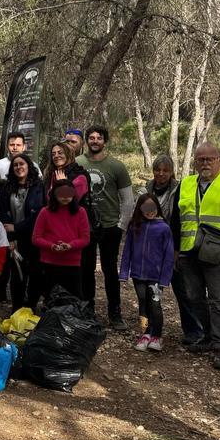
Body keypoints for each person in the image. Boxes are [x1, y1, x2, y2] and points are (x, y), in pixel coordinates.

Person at [169, 142, 220, 371]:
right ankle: (206, 336)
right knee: (194, 298)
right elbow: (176, 219)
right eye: (200, 159)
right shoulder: (186, 184)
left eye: (209, 159)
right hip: (189, 253)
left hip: (219, 254)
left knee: (218, 301)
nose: (205, 163)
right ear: (195, 162)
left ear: (219, 160)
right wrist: (175, 250)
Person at [77, 125, 134, 330]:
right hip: (85, 227)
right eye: (91, 138)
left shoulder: (116, 166)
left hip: (110, 225)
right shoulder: (78, 163)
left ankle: (115, 313)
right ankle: (87, 310)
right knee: (86, 269)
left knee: (110, 271)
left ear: (104, 141)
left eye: (98, 138)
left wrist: (121, 225)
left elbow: (128, 199)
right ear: (86, 141)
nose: (94, 141)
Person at [146, 154, 202, 344]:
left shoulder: (179, 189)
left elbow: (179, 219)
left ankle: (193, 331)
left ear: (171, 172)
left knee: (183, 291)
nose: (161, 174)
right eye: (157, 170)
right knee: (151, 291)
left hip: (172, 246)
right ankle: (150, 329)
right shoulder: (146, 188)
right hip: (150, 248)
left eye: (165, 170)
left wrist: (177, 249)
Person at [120, 193, 174, 352]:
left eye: (152, 207)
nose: (149, 211)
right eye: (146, 208)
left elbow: (169, 255)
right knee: (143, 302)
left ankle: (156, 336)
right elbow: (127, 251)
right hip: (138, 275)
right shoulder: (134, 226)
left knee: (155, 305)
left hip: (156, 277)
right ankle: (145, 334)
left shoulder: (164, 228)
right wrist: (124, 272)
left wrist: (165, 278)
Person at [0, 153, 45, 310]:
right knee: (17, 275)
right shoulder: (7, 187)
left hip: (35, 237)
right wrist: (10, 237)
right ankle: (16, 309)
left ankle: (31, 307)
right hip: (15, 239)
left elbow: (38, 213)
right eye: (15, 165)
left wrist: (17, 227)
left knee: (36, 274)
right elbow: (3, 213)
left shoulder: (38, 186)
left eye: (22, 164)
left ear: (28, 166)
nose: (19, 167)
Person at [31, 180, 91, 300]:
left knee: (74, 298)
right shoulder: (45, 212)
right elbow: (36, 238)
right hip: (49, 262)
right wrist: (51, 246)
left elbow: (85, 238)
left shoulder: (80, 212)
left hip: (72, 262)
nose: (65, 197)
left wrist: (70, 245)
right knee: (51, 297)